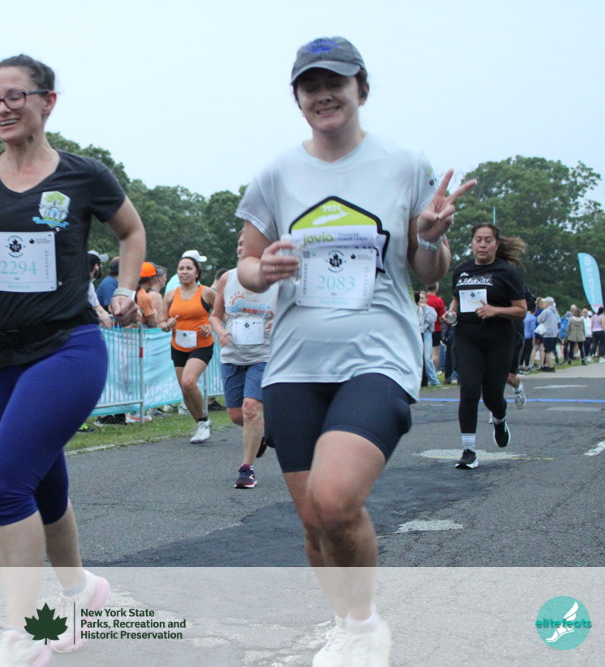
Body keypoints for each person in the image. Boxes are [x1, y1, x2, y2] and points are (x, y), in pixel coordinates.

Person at [235, 36, 476, 665]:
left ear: (360, 90)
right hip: (294, 363)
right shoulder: (277, 173)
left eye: (335, 83)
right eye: (310, 86)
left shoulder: (405, 164)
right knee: (315, 522)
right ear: (297, 98)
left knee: (335, 500)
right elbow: (246, 266)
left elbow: (427, 270)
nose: (323, 95)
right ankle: (347, 626)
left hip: (378, 354)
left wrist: (430, 237)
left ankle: (366, 625)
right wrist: (265, 268)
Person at [0, 54, 145, 666]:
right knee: (42, 482)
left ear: (47, 101)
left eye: (15, 95)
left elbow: (130, 231)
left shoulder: (83, 175)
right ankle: (81, 592)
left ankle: (23, 631)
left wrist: (123, 289)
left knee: (9, 483)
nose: (3, 108)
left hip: (68, 347)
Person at [446, 224, 526, 470]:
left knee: (492, 397)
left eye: (488, 240)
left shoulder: (506, 272)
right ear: (472, 243)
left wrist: (495, 310)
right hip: (467, 337)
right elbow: (457, 298)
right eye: (478, 240)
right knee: (469, 389)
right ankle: (469, 451)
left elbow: (521, 310)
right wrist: (451, 313)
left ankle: (500, 419)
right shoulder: (462, 271)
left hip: (498, 339)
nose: (482, 245)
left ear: (496, 244)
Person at [210, 231, 277, 488]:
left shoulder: (278, 280)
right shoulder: (228, 279)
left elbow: (297, 312)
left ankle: (246, 469)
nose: (242, 248)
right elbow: (215, 315)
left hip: (264, 355)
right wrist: (221, 331)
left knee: (251, 407)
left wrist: (280, 321)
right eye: (240, 244)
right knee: (236, 415)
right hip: (233, 355)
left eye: (248, 244)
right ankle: (265, 432)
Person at [160, 254, 217, 444]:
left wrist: (210, 324)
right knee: (185, 390)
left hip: (202, 344)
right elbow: (161, 323)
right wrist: (168, 324)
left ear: (197, 273)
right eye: (181, 268)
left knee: (188, 381)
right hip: (178, 345)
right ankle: (202, 423)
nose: (184, 272)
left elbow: (220, 314)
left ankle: (203, 421)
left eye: (189, 268)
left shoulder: (207, 292)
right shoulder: (170, 295)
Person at [417, 291, 440, 387]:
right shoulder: (415, 309)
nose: (421, 300)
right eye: (420, 298)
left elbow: (431, 320)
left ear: (426, 299)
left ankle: (434, 380)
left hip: (426, 333)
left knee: (427, 357)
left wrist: (424, 309)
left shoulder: (430, 310)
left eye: (423, 298)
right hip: (417, 333)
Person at [425, 283, 446, 375]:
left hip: (422, 329)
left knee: (423, 353)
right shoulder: (439, 301)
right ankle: (433, 374)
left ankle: (424, 374)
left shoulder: (422, 299)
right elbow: (441, 318)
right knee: (435, 354)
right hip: (435, 329)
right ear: (436, 288)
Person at [537, 297, 561, 372]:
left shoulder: (546, 311)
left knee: (547, 351)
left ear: (547, 303)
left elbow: (539, 319)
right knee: (550, 350)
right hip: (554, 333)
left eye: (544, 302)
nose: (543, 304)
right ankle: (547, 365)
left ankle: (551, 366)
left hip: (548, 333)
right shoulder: (555, 311)